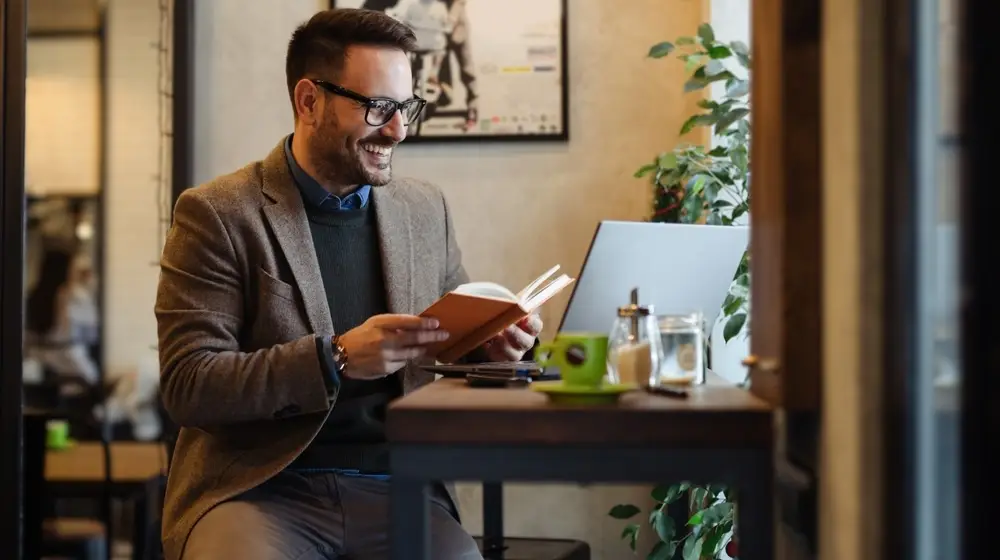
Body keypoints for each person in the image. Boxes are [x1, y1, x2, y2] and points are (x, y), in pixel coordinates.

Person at [154, 8, 542, 560]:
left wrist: (496, 347)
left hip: (401, 488)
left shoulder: (424, 210)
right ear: (309, 101)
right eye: (379, 107)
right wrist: (332, 358)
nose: (399, 129)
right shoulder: (217, 213)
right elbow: (188, 384)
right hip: (257, 491)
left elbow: (451, 349)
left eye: (406, 106)